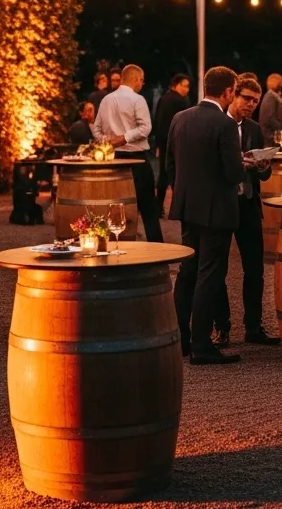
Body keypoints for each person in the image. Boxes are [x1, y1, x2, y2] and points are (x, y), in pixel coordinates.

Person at [167, 66, 247, 365]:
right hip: (217, 210)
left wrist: (184, 193)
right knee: (209, 275)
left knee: (187, 273)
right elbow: (232, 172)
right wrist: (245, 166)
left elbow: (170, 166)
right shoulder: (224, 124)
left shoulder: (180, 118)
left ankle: (180, 340)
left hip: (188, 207)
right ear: (228, 92)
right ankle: (202, 345)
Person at [212, 75, 280, 347]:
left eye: (255, 100)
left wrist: (263, 165)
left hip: (248, 203)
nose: (251, 104)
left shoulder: (254, 128)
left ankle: (253, 327)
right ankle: (222, 327)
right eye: (246, 98)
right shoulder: (217, 124)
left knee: (255, 269)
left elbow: (264, 176)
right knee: (217, 269)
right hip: (222, 202)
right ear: (233, 95)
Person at [92, 63, 163, 243]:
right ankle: (157, 249)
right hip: (136, 160)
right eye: (142, 80)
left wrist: (107, 142)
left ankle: (116, 246)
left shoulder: (106, 99)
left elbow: (96, 129)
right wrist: (123, 138)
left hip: (113, 160)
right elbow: (146, 128)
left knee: (115, 206)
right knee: (148, 209)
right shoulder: (137, 100)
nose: (142, 84)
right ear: (136, 79)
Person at [153, 73, 191, 215]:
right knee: (179, 175)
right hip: (177, 142)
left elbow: (157, 121)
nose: (187, 89)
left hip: (164, 141)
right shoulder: (182, 102)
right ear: (175, 85)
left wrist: (157, 144)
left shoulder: (163, 98)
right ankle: (179, 207)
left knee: (163, 174)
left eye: (188, 87)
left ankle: (158, 206)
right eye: (184, 86)